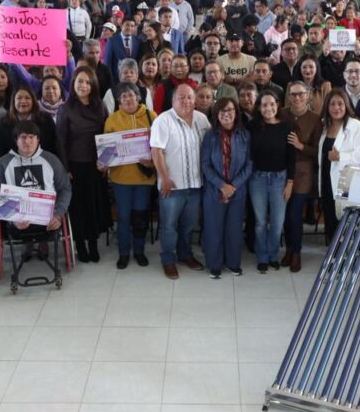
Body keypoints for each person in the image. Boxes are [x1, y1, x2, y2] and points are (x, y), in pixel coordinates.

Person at [0, 121, 72, 269]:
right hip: (17, 222)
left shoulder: (51, 160)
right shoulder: (2, 163)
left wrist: (58, 214)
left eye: (31, 137)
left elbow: (65, 189)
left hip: (49, 220)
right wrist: (13, 218)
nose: (27, 141)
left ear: (38, 139)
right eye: (23, 137)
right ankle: (27, 244)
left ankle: (42, 243)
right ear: (16, 140)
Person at [150, 83, 210, 279]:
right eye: (181, 97)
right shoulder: (163, 120)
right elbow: (156, 151)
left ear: (195, 100)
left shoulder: (202, 119)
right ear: (173, 100)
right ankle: (168, 260)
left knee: (188, 225)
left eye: (190, 97)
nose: (186, 101)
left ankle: (185, 255)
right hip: (172, 187)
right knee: (169, 226)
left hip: (195, 185)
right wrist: (165, 178)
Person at [56, 66, 111, 262]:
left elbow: (107, 135)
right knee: (78, 208)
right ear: (73, 83)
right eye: (80, 81)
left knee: (93, 206)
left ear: (93, 85)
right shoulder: (65, 109)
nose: (84, 85)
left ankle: (93, 244)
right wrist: (65, 169)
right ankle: (80, 245)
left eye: (88, 82)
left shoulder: (100, 105)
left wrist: (106, 161)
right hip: (74, 166)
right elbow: (60, 141)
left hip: (96, 165)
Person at [101, 82, 155, 269]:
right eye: (123, 96)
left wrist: (153, 162)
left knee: (140, 217)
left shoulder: (151, 116)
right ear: (119, 101)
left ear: (138, 97)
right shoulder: (112, 120)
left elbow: (159, 147)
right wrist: (103, 162)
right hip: (121, 179)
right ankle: (123, 253)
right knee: (123, 217)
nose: (128, 99)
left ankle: (139, 251)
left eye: (131, 95)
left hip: (144, 179)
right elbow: (106, 151)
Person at [200, 97, 252, 279]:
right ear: (216, 115)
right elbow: (205, 165)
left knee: (234, 229)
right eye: (222, 111)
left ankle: (233, 263)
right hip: (214, 190)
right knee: (214, 228)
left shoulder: (245, 135)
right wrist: (222, 185)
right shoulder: (210, 136)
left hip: (238, 191)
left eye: (230, 110)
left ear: (236, 112)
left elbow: (249, 165)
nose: (226, 114)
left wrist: (234, 186)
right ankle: (214, 265)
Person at [248, 90, 296, 273]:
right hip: (257, 179)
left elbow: (291, 157)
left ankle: (273, 255)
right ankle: (262, 256)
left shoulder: (286, 127)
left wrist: (290, 183)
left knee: (277, 222)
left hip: (279, 179)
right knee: (260, 222)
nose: (268, 108)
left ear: (278, 105)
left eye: (272, 104)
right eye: (264, 105)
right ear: (259, 108)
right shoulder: (252, 126)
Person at [318, 88, 360, 244]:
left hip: (347, 180)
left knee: (346, 219)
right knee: (330, 215)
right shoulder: (325, 126)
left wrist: (341, 157)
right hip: (327, 179)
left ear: (346, 105)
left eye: (340, 103)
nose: (336, 108)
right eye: (332, 104)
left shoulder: (355, 125)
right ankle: (332, 252)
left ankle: (345, 252)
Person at [281, 80, 321, 272]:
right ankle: (289, 248)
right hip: (282, 170)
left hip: (303, 171)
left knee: (295, 213)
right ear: (288, 96)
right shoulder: (281, 114)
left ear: (308, 95)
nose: (297, 98)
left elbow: (318, 151)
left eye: (301, 94)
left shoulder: (315, 119)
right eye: (293, 94)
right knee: (285, 213)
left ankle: (296, 252)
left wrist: (300, 146)